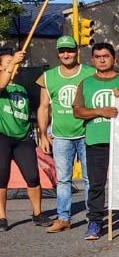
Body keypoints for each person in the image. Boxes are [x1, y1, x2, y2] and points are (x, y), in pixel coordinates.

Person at [72, 42, 119, 240]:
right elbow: (78, 111)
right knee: (96, 184)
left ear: (114, 58)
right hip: (96, 140)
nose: (102, 60)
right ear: (93, 60)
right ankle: (95, 222)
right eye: (98, 57)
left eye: (106, 56)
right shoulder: (86, 83)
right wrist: (99, 111)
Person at [36, 35, 95, 233]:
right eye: (62, 51)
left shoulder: (90, 73)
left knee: (90, 179)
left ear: (77, 51)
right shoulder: (48, 76)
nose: (66, 54)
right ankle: (63, 218)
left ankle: (93, 218)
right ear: (58, 53)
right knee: (63, 179)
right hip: (60, 136)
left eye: (70, 50)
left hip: (87, 133)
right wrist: (43, 135)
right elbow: (44, 107)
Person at [0, 49, 53, 231]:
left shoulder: (22, 88)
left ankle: (37, 213)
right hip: (3, 137)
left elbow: (38, 109)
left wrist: (43, 134)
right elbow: (2, 84)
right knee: (2, 177)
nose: (13, 63)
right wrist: (14, 62)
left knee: (32, 176)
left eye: (13, 61)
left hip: (23, 139)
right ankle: (1, 217)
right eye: (7, 62)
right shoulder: (1, 84)